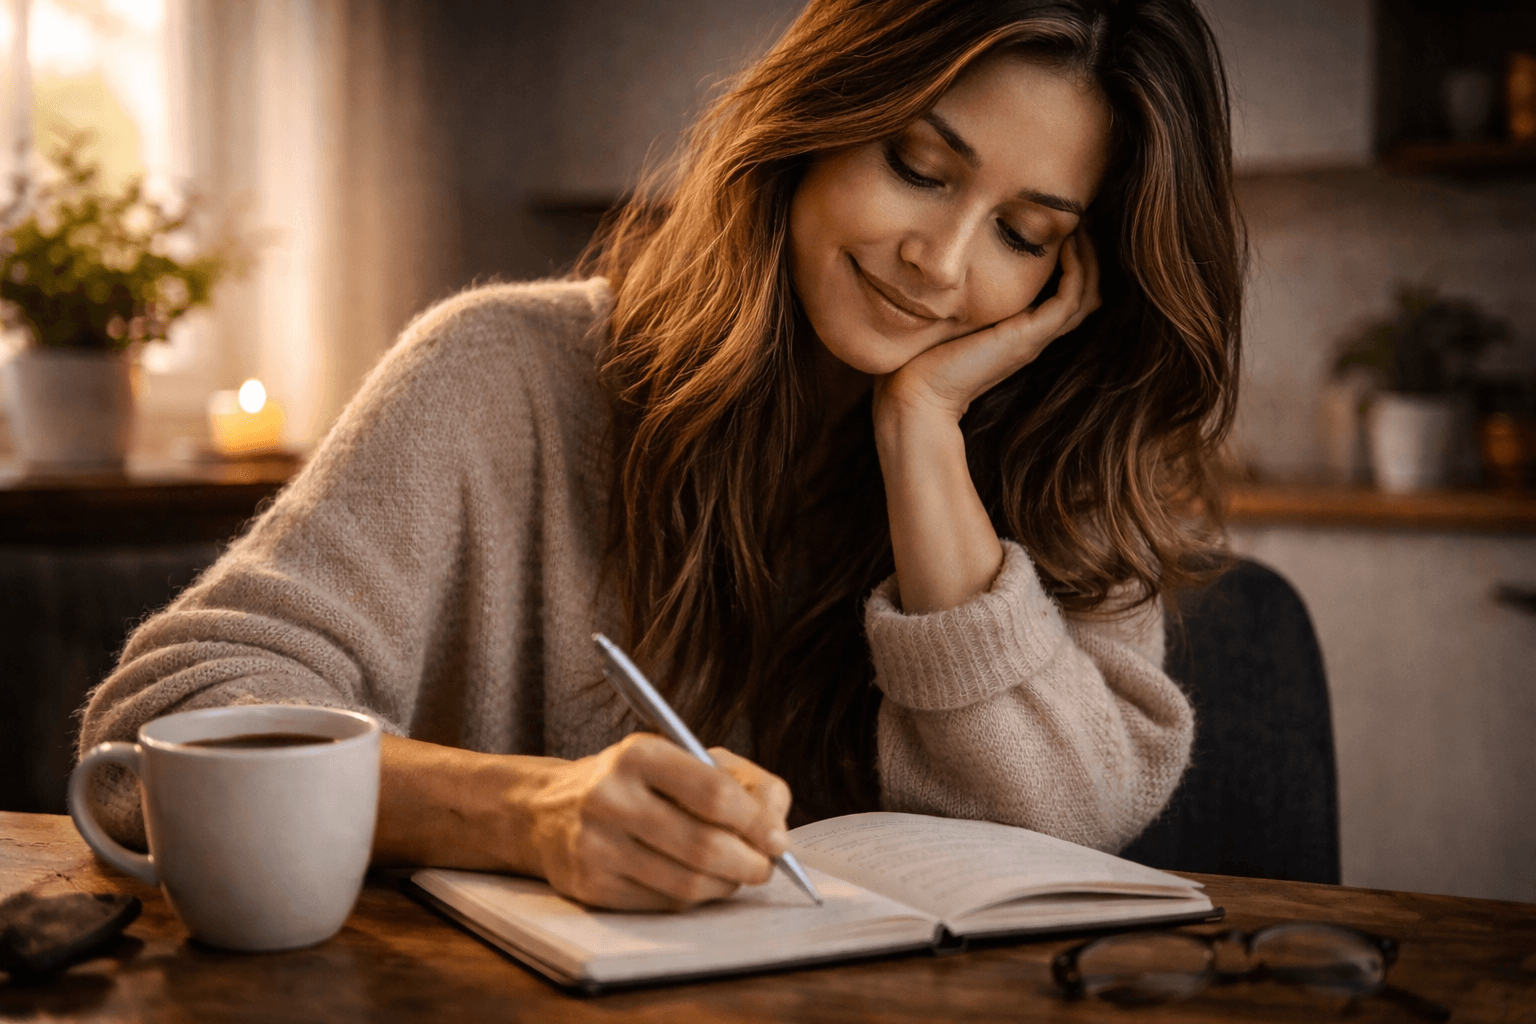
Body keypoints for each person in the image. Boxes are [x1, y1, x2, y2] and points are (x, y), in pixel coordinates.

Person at [79, 0, 1242, 912]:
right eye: (918, 168)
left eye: (1021, 233)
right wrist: (525, 811)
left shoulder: (1058, 472)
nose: (939, 260)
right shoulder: (502, 376)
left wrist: (921, 439)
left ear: (1068, 279)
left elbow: (1061, 831)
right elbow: (154, 732)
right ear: (816, 123)